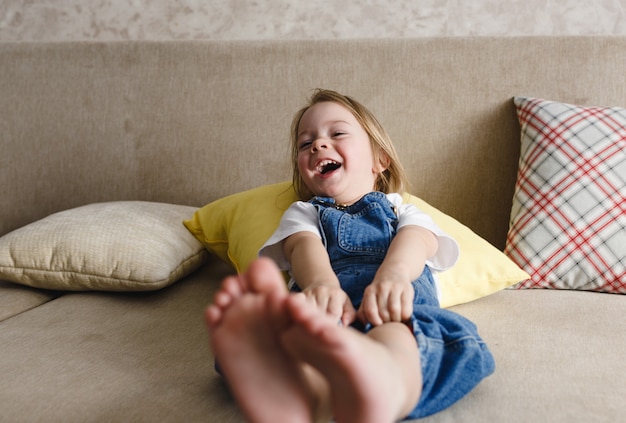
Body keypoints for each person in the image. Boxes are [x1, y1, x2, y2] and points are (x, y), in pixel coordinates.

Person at [205, 89, 495, 423]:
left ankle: (373, 387)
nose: (317, 145)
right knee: (295, 340)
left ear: (380, 160)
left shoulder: (400, 207)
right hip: (323, 313)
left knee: (399, 339)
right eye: (305, 143)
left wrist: (394, 275)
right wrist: (320, 285)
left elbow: (419, 240)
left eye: (337, 133)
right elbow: (302, 247)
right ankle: (310, 392)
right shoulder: (305, 213)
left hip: (392, 309)